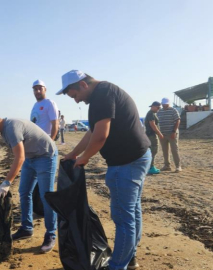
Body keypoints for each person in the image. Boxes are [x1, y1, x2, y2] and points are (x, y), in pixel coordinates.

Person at [57, 70, 151, 270]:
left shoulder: (102, 94)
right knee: (132, 211)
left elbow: (100, 136)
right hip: (139, 157)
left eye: (75, 96)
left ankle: (118, 266)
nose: (77, 101)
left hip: (126, 163)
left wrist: (84, 158)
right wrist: (74, 153)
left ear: (83, 84)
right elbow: (92, 130)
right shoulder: (106, 92)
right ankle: (130, 257)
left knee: (123, 218)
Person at [0, 109, 58, 253]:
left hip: (46, 156)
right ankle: (26, 228)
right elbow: (20, 156)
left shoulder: (12, 127)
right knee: (24, 192)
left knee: (47, 196)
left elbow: (19, 158)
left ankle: (51, 234)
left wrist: (6, 183)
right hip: (31, 157)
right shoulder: (4, 131)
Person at [157, 98, 181, 172]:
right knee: (165, 150)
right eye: (163, 104)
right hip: (162, 134)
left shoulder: (173, 110)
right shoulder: (159, 112)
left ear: (168, 104)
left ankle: (178, 166)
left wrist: (174, 132)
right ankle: (167, 165)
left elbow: (178, 120)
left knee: (174, 150)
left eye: (166, 104)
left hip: (172, 133)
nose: (164, 105)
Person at [145, 101, 164, 174]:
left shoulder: (152, 113)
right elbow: (153, 125)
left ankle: (150, 166)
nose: (158, 109)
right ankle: (150, 167)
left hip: (151, 134)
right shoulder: (151, 114)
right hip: (151, 135)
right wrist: (159, 134)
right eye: (158, 108)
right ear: (154, 106)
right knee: (153, 150)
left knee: (152, 150)